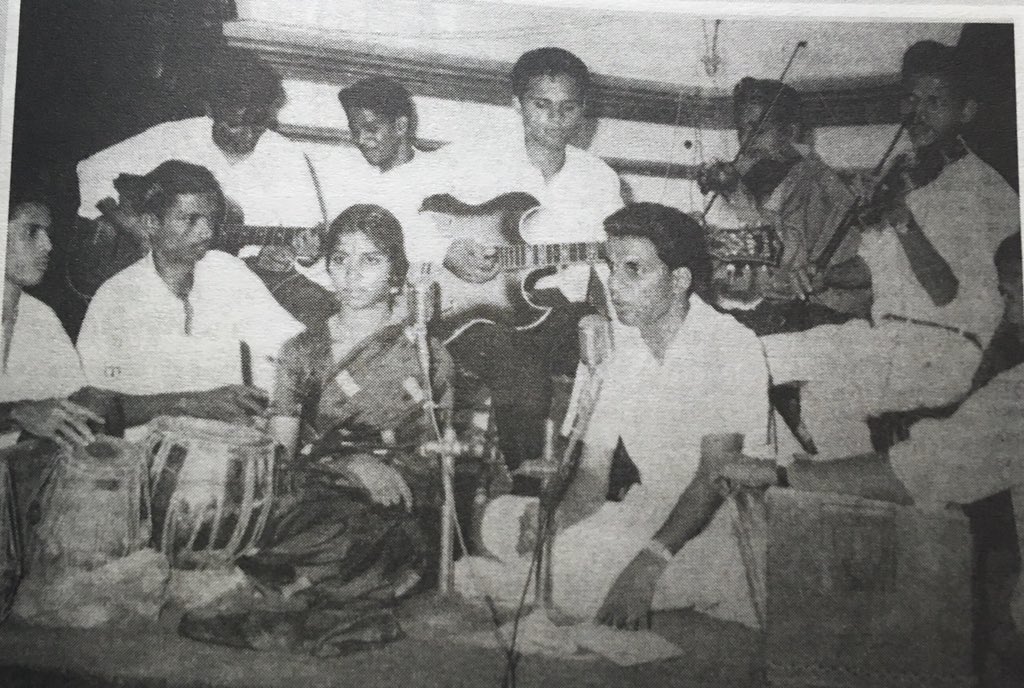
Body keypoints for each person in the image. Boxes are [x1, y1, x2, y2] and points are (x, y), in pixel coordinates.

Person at [456, 203, 774, 630]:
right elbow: (591, 473)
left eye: (633, 270)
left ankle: (552, 583)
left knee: (539, 576)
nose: (615, 285)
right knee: (499, 519)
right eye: (611, 268)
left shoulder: (729, 344)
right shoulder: (613, 344)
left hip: (717, 524)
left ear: (679, 280)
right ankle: (549, 578)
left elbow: (714, 478)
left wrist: (649, 563)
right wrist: (558, 519)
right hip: (644, 512)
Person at [177, 205, 456, 655]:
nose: (352, 274)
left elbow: (434, 462)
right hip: (315, 488)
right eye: (340, 259)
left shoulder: (425, 354)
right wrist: (349, 463)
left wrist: (386, 473)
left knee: (368, 532)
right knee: (261, 511)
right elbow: (280, 458)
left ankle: (283, 596)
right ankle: (320, 602)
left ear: (396, 273)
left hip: (390, 502)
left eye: (370, 260)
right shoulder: (302, 351)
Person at [759, 40, 1020, 459]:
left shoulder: (986, 192)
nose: (916, 114)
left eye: (935, 101)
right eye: (910, 99)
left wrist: (901, 218)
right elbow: (873, 265)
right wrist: (825, 275)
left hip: (945, 347)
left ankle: (846, 483)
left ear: (967, 111)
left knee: (822, 400)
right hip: (886, 336)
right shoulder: (903, 170)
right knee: (761, 355)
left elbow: (944, 293)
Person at [1, 187, 270, 578]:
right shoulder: (118, 295)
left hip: (27, 493)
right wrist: (16, 413)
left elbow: (93, 406)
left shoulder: (39, 318)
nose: (48, 245)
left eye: (48, 232)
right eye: (31, 231)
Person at [74, 48, 332, 321]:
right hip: (156, 277)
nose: (247, 135)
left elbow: (308, 239)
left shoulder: (287, 156)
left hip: (242, 280)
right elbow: (92, 170)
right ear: (212, 110)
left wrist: (299, 254)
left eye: (257, 124)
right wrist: (132, 225)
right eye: (234, 124)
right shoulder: (175, 137)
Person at [77, 161, 304, 413]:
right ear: (151, 223)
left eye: (211, 219)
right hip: (149, 436)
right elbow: (95, 402)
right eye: (190, 219)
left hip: (230, 432)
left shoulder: (227, 271)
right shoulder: (116, 298)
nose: (206, 232)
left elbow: (289, 342)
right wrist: (193, 403)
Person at [699, 77, 868, 330]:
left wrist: (739, 197)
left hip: (804, 318)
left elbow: (784, 257)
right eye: (741, 130)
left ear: (791, 132)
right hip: (740, 311)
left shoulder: (820, 184)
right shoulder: (744, 172)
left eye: (759, 130)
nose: (746, 140)